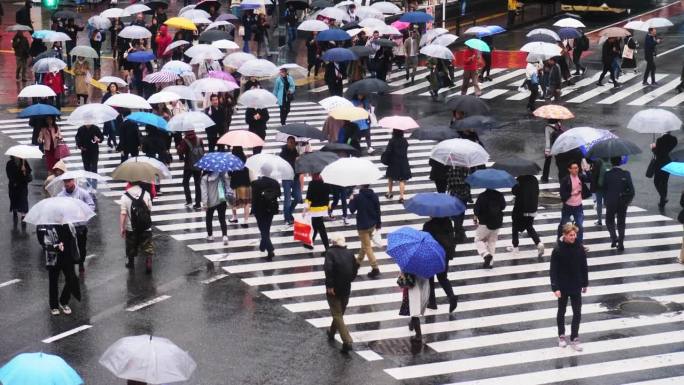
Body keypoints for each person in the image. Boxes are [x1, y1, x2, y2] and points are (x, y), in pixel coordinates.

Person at [550, 223, 588, 352]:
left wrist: (585, 283)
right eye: (571, 235)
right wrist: (555, 288)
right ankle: (561, 336)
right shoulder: (558, 250)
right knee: (562, 311)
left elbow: (584, 266)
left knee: (577, 312)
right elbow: (553, 270)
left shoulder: (579, 247)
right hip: (563, 285)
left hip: (576, 284)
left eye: (574, 235)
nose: (573, 237)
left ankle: (574, 337)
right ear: (564, 235)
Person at [324, 235, 359, 353]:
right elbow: (355, 269)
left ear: (333, 242)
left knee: (337, 314)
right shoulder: (350, 253)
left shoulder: (330, 253)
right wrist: (349, 280)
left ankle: (347, 340)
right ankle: (332, 332)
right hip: (346, 288)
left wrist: (329, 286)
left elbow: (328, 270)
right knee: (339, 313)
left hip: (334, 288)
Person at [57, 178, 95, 274]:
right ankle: (71, 266)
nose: (67, 184)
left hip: (80, 226)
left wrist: (83, 213)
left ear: (73, 181)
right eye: (65, 181)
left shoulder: (83, 193)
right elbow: (57, 210)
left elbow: (91, 205)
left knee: (81, 246)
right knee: (69, 247)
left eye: (69, 181)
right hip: (68, 227)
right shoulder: (60, 196)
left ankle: (81, 262)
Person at [42, 224, 81, 315]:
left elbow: (73, 240)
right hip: (54, 259)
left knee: (72, 279)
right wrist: (57, 246)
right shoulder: (49, 228)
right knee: (53, 282)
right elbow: (46, 245)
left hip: (67, 257)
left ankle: (63, 301)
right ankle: (54, 306)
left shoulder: (70, 226)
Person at [423, 216, 459, 312]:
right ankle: (451, 297)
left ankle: (432, 302)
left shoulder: (428, 225)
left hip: (432, 255)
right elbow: (452, 239)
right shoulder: (448, 223)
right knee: (443, 278)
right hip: (444, 254)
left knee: (430, 278)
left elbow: (424, 241)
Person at [120, 181, 154, 273]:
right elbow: (150, 208)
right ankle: (148, 259)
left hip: (131, 227)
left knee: (131, 244)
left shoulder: (125, 196)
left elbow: (123, 213)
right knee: (147, 244)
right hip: (145, 226)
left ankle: (130, 262)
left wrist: (122, 227)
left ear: (129, 183)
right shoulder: (146, 193)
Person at [507, 174, 544, 257]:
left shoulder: (519, 179)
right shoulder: (534, 179)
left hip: (520, 208)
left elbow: (514, 191)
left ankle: (515, 247)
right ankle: (538, 243)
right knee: (529, 226)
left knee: (515, 227)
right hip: (532, 207)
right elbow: (537, 192)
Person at [349, 184, 382, 278]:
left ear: (361, 186)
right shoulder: (374, 196)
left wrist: (351, 200)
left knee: (367, 247)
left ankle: (375, 268)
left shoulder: (358, 197)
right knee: (365, 245)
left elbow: (351, 210)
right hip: (372, 224)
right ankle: (357, 263)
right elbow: (378, 210)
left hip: (362, 226)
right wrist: (379, 224)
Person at [603, 157, 634, 252]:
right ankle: (621, 243)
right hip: (622, 202)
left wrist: (606, 200)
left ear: (611, 163)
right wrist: (627, 201)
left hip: (610, 202)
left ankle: (614, 238)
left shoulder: (607, 175)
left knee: (609, 221)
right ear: (620, 162)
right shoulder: (626, 174)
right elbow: (632, 191)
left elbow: (604, 189)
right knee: (621, 223)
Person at [251, 164, 281, 260]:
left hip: (259, 210)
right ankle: (263, 246)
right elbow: (279, 194)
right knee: (266, 229)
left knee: (263, 230)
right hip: (270, 209)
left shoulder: (256, 183)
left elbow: (254, 198)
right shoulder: (275, 183)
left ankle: (270, 249)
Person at [473, 187, 506, 269]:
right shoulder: (499, 195)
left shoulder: (482, 196)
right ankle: (490, 263)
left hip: (484, 222)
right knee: (492, 242)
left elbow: (476, 210)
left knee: (478, 239)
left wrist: (475, 218)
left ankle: (485, 254)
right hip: (497, 222)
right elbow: (503, 206)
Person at [558, 161, 590, 244]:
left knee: (580, 226)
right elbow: (562, 194)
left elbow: (590, 179)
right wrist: (572, 193)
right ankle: (560, 241)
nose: (576, 170)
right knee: (563, 225)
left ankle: (579, 244)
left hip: (578, 206)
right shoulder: (566, 180)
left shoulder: (580, 177)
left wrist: (587, 170)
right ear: (569, 169)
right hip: (568, 206)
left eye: (577, 168)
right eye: (574, 168)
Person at [201, 170, 231, 245]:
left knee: (209, 218)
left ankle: (210, 235)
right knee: (222, 218)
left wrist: (205, 204)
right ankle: (224, 236)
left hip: (210, 202)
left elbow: (204, 192)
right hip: (221, 200)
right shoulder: (222, 174)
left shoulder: (205, 178)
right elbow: (227, 185)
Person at [176, 130, 204, 209]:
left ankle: (189, 201)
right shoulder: (199, 140)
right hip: (198, 165)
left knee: (185, 182)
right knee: (197, 184)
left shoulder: (185, 141)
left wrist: (178, 147)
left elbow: (180, 152)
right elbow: (203, 152)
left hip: (188, 166)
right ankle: (198, 203)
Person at [304, 173, 331, 252]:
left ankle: (327, 248)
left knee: (320, 227)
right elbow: (329, 193)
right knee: (315, 225)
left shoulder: (312, 184)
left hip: (315, 209)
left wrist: (305, 209)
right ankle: (310, 242)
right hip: (323, 208)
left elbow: (309, 197)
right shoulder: (326, 183)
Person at [383, 129, 411, 203]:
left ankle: (390, 193)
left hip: (393, 162)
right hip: (403, 162)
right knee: (402, 180)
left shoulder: (392, 141)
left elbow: (388, 151)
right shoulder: (404, 141)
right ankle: (401, 197)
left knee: (390, 178)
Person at [400, 272, 430, 341]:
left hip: (413, 289)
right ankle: (412, 324)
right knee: (414, 310)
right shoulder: (425, 266)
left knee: (414, 312)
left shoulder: (410, 266)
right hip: (422, 287)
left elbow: (403, 281)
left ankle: (418, 335)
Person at [651, 131, 677, 210]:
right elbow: (669, 150)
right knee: (664, 182)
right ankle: (662, 201)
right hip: (668, 162)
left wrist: (653, 147)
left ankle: (663, 197)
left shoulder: (659, 140)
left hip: (660, 163)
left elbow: (657, 152)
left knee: (656, 181)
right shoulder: (674, 139)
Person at [446, 166, 471, 243]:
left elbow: (449, 182)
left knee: (456, 213)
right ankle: (459, 229)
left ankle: (458, 230)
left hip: (454, 194)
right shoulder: (465, 170)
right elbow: (468, 182)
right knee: (461, 213)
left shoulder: (451, 170)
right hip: (464, 194)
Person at [280, 136, 300, 226]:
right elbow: (280, 165)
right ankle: (287, 218)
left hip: (295, 177)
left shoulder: (296, 151)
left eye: (293, 142)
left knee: (298, 197)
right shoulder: (283, 152)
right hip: (286, 178)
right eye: (290, 142)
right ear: (287, 142)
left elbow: (299, 164)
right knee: (287, 199)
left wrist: (299, 158)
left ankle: (289, 213)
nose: (291, 144)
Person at [75, 123, 104, 187]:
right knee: (87, 168)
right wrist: (80, 146)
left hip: (94, 151)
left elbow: (101, 137)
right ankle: (88, 185)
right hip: (85, 152)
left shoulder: (96, 128)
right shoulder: (81, 129)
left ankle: (94, 186)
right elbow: (77, 138)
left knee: (94, 168)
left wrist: (98, 140)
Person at [229, 146, 251, 228]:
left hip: (235, 184)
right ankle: (246, 221)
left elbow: (230, 174)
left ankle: (235, 217)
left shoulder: (232, 161)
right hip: (246, 183)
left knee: (233, 202)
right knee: (246, 203)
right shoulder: (246, 159)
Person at [6, 156, 32, 226]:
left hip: (22, 185)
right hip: (13, 186)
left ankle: (23, 215)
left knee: (23, 199)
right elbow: (9, 174)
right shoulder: (9, 163)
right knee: (14, 199)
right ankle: (15, 211)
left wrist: (25, 170)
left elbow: (29, 171)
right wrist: (14, 181)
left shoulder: (24, 162)